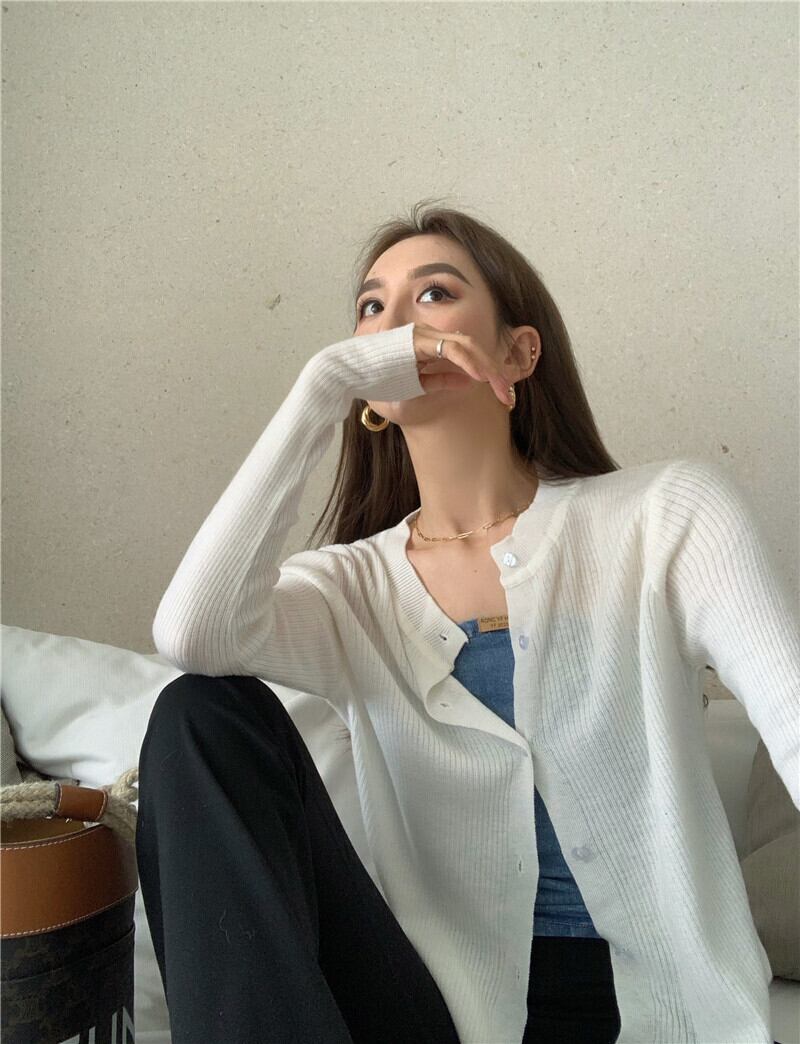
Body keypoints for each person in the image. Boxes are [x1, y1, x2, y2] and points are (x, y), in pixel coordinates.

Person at [136, 199, 798, 1044]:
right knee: (199, 715)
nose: (396, 327)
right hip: (433, 1016)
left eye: (435, 294)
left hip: (658, 1010)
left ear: (518, 352)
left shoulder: (663, 516)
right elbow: (192, 634)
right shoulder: (348, 588)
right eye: (371, 308)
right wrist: (320, 387)